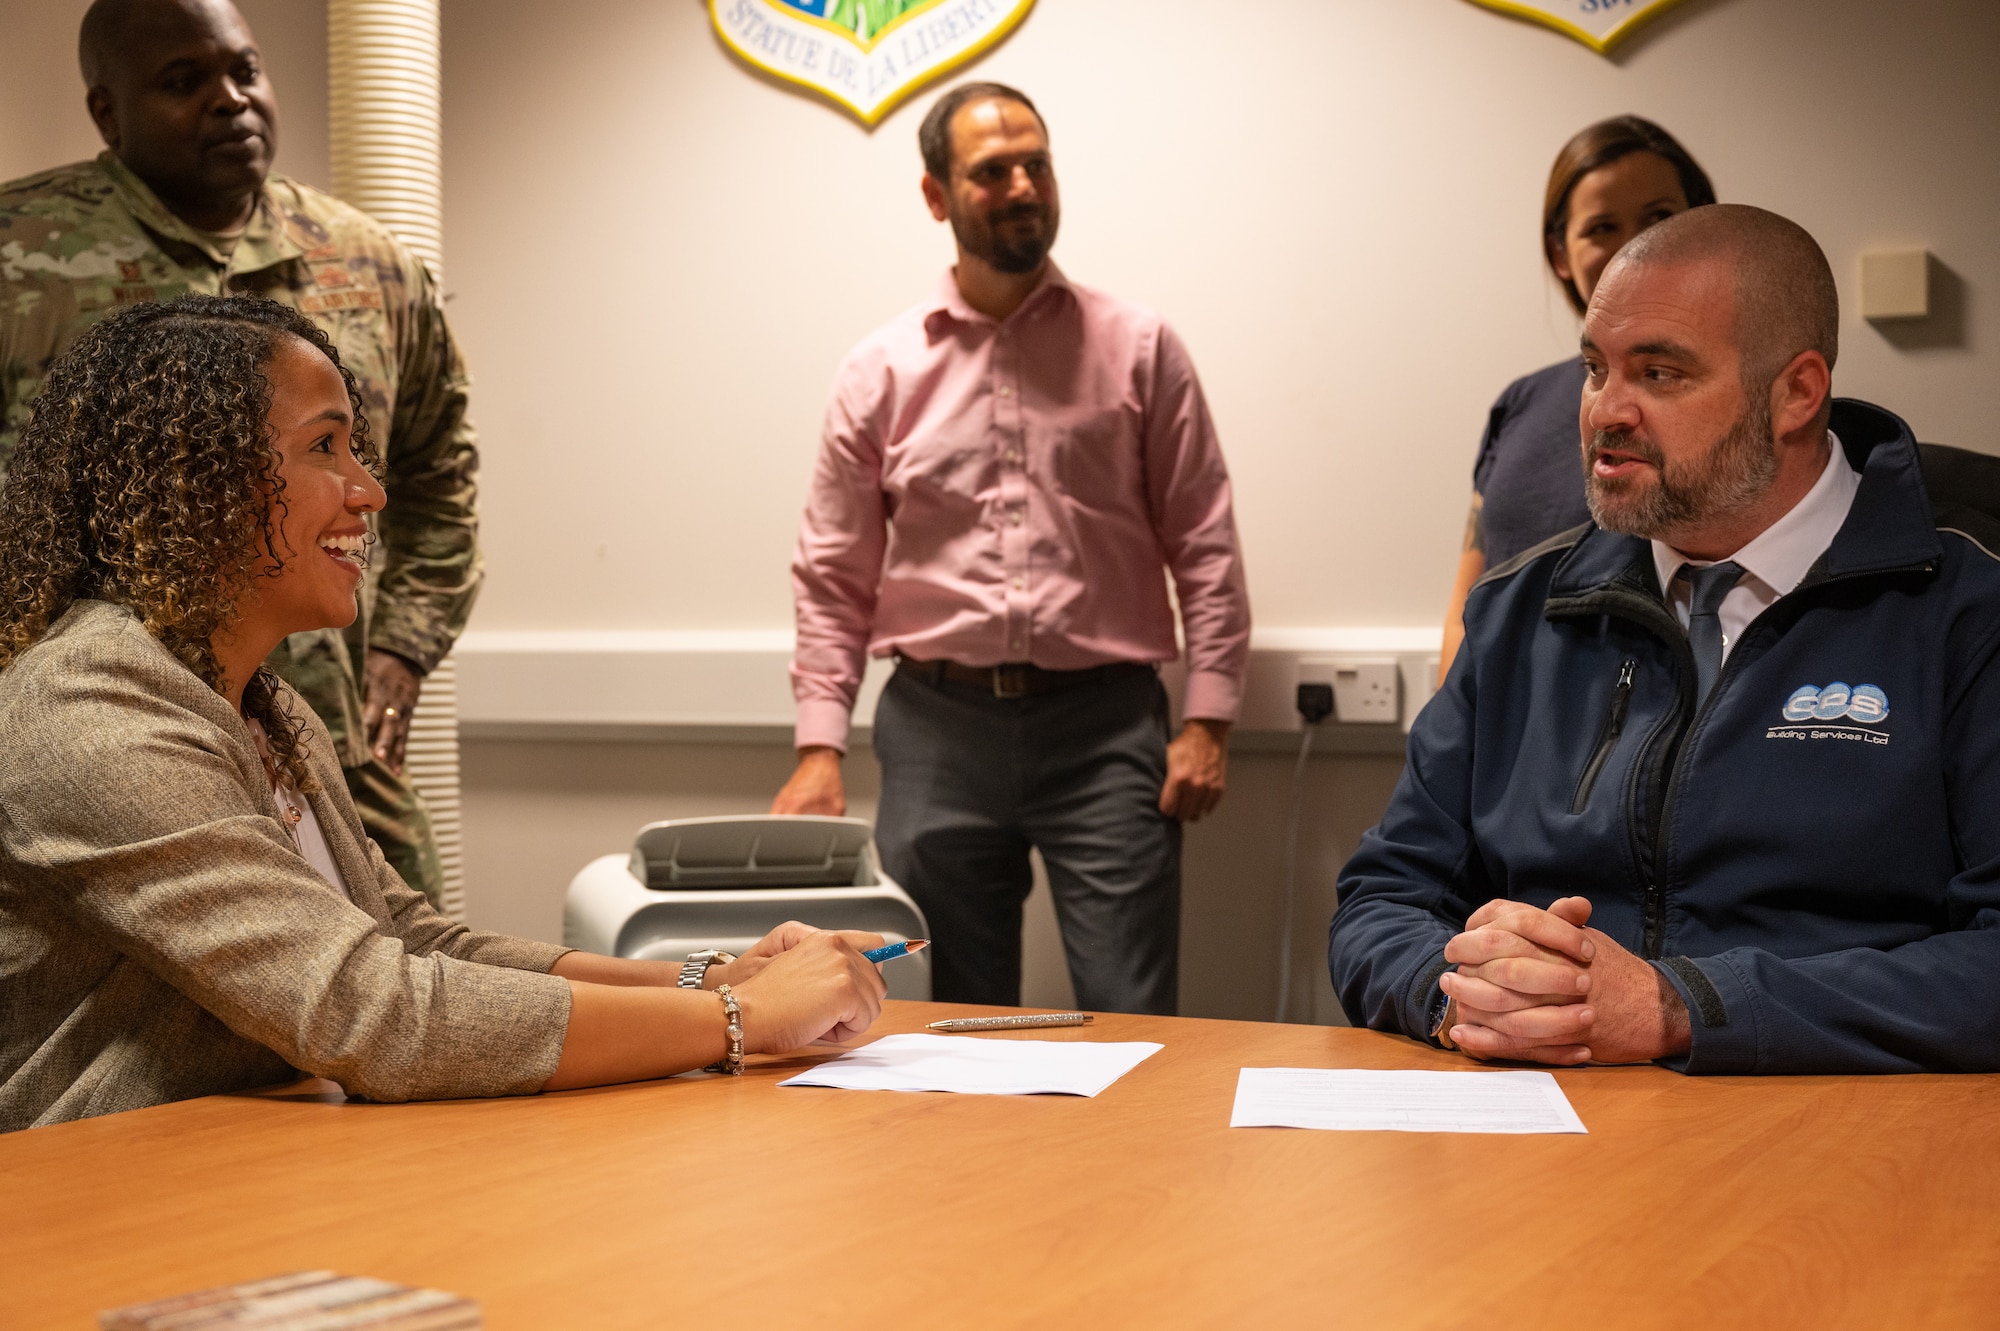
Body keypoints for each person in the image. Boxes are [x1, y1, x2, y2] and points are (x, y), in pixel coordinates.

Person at [0, 296, 887, 1132]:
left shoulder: (268, 706)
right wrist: (743, 1019)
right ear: (200, 478)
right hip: (91, 1209)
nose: (369, 492)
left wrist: (707, 981)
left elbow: (414, 938)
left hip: (233, 1173)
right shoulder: (90, 709)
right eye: (326, 448)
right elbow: (373, 1011)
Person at [1329, 205, 2000, 1075]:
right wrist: (1464, 994)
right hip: (1542, 1132)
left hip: (1834, 1132)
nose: (1607, 411)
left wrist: (1686, 1007)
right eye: (1594, 368)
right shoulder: (1521, 609)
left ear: (1797, 392)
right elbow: (1381, 897)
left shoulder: (1963, 613)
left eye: (1659, 372)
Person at [773, 82, 1251, 1014]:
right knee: (944, 1019)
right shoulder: (879, 372)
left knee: (1132, 1012)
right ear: (937, 196)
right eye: (994, 171)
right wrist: (818, 743)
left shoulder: (1141, 348)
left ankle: (1135, 1168)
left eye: (1038, 163)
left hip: (1109, 731)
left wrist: (1209, 720)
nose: (1025, 184)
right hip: (937, 729)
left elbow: (1204, 538)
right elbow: (833, 572)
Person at [0, 0, 469, 906]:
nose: (231, 101)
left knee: (418, 975)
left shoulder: (370, 263)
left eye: (245, 71)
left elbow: (440, 471)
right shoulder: (20, 256)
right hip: (116, 747)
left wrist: (401, 652)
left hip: (321, 741)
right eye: (184, 82)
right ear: (108, 110)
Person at [1438, 117, 1716, 680]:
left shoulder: (1737, 397)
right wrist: (1449, 746)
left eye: (1660, 217)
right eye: (1602, 226)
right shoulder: (1520, 403)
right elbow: (1467, 608)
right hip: (1501, 744)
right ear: (1560, 255)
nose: (1635, 245)